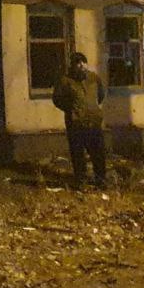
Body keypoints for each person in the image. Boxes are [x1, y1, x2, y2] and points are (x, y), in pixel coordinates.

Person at [52, 51, 108, 189]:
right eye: (77, 63)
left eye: (83, 62)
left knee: (98, 153)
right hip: (76, 123)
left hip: (93, 121)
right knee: (78, 154)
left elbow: (101, 95)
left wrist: (93, 109)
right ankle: (81, 181)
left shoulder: (94, 78)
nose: (81, 65)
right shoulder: (65, 81)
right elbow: (57, 99)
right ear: (72, 65)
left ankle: (101, 180)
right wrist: (71, 109)